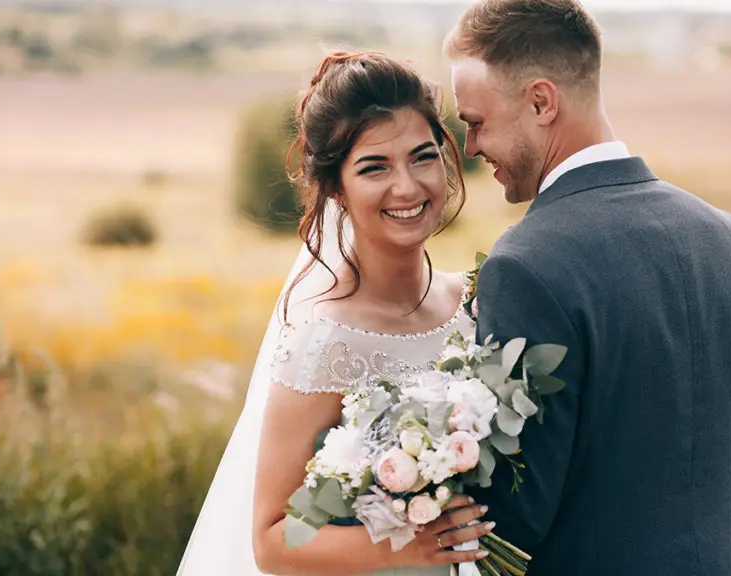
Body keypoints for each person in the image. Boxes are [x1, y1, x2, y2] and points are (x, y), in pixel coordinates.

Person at [443, 1, 731, 574]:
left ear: (540, 101)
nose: (472, 147)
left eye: (476, 122)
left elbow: (514, 520)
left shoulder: (526, 265)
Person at [175, 51, 494, 576]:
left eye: (423, 156)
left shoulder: (473, 303)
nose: (408, 187)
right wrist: (409, 548)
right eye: (374, 167)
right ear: (336, 189)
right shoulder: (322, 343)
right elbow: (272, 541)